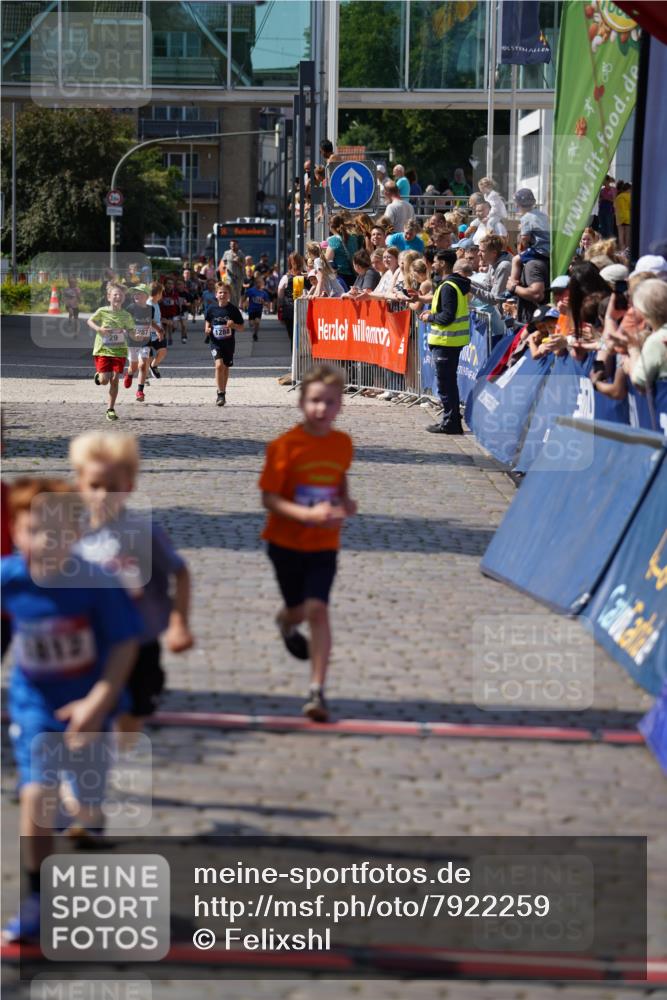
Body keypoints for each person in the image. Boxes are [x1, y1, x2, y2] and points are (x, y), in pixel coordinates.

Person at [1, 478, 142, 942]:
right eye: (34, 530)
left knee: (86, 804)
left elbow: (125, 645)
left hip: (92, 701)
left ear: (78, 533)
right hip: (35, 704)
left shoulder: (96, 582)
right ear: (15, 532)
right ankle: (38, 897)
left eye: (59, 532)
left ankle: (78, 809)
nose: (46, 542)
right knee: (35, 795)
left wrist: (99, 700)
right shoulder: (10, 576)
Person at [70, 431, 193, 737]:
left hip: (141, 640)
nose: (103, 495)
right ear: (80, 485)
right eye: (95, 486)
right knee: (89, 716)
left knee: (132, 716)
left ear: (129, 486)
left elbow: (180, 572)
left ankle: (120, 754)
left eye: (112, 488)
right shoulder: (72, 534)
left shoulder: (143, 531)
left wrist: (179, 624)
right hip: (93, 643)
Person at [259, 365, 357, 722]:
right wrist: (304, 515)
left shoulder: (342, 444)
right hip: (284, 542)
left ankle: (317, 691)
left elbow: (338, 480)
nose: (321, 409)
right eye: (315, 401)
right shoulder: (284, 447)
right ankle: (286, 622)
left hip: (323, 544)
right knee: (298, 610)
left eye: (329, 402)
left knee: (318, 610)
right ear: (302, 402)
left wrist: (345, 503)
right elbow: (269, 499)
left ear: (340, 406)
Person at [420, 259, 471, 434]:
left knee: (446, 384)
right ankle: (452, 420)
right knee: (448, 383)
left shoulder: (448, 286)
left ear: (443, 263)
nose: (432, 265)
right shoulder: (454, 285)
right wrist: (433, 314)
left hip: (446, 343)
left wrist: (430, 318)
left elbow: (447, 316)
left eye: (434, 262)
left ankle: (451, 422)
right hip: (450, 342)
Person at [87, 283, 134, 422]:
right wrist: (98, 329)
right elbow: (90, 320)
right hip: (103, 350)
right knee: (104, 381)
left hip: (119, 351)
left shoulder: (126, 315)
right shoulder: (102, 311)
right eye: (115, 294)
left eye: (120, 295)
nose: (118, 297)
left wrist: (139, 336)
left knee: (114, 380)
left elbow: (132, 331)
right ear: (109, 297)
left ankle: (111, 409)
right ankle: (99, 376)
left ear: (124, 298)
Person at [204, 282, 245, 407]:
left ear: (229, 295)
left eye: (225, 292)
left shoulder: (233, 310)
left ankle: (223, 391)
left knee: (226, 367)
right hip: (215, 342)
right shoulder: (211, 309)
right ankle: (220, 394)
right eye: (220, 292)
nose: (222, 294)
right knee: (218, 365)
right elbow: (207, 322)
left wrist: (234, 325)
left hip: (228, 343)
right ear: (216, 295)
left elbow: (242, 327)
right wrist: (207, 329)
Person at [124, 284, 159, 402]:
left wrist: (159, 330)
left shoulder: (151, 309)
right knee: (133, 367)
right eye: (135, 293)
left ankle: (140, 391)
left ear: (146, 296)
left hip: (145, 341)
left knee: (143, 365)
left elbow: (150, 322)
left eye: (139, 293)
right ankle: (129, 374)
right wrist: (132, 334)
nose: (136, 295)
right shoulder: (130, 308)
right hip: (132, 342)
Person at [325, 214, 362, 290]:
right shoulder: (354, 238)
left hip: (340, 277)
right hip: (355, 274)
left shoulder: (333, 240)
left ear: (330, 226)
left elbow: (328, 261)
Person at [278, 252, 305, 341]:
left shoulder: (286, 277)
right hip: (303, 310)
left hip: (289, 310)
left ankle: (294, 354)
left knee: (292, 337)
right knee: (302, 337)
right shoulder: (307, 277)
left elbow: (280, 293)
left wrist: (280, 308)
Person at [147, 281, 168, 379]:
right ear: (158, 294)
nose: (162, 295)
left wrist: (163, 322)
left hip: (157, 333)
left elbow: (156, 319)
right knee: (147, 357)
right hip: (147, 335)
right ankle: (144, 377)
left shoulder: (156, 303)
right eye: (161, 293)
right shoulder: (148, 304)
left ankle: (153, 365)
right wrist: (159, 330)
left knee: (163, 351)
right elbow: (149, 320)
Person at [244, 274, 272, 341]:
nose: (258, 284)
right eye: (257, 282)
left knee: (257, 322)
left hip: (258, 310)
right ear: (255, 283)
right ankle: (253, 328)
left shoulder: (264, 293)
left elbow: (267, 303)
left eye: (260, 282)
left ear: (262, 283)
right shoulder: (251, 291)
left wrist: (264, 303)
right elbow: (244, 296)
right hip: (251, 310)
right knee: (251, 324)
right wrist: (243, 303)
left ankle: (255, 334)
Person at [222, 239, 244, 306]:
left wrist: (238, 262)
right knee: (231, 291)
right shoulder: (226, 253)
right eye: (231, 245)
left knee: (237, 293)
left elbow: (244, 265)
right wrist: (225, 266)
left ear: (237, 245)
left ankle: (236, 307)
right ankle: (231, 306)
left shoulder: (241, 254)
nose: (233, 246)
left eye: (234, 245)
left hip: (238, 277)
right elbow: (224, 262)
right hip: (230, 276)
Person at [614, 182, 632, 254]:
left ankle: (622, 250)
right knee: (627, 235)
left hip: (619, 218)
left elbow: (614, 206)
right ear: (628, 189)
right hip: (628, 217)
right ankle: (627, 251)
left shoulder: (618, 196)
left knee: (621, 235)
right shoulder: (629, 196)